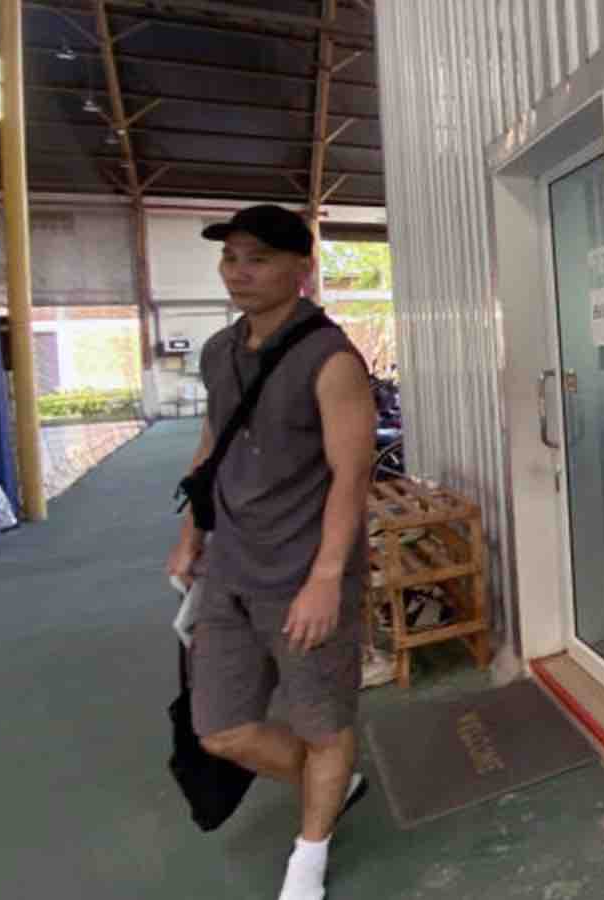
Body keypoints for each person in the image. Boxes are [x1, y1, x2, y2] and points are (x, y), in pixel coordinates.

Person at [166, 205, 376, 900]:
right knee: (220, 728)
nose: (238, 272)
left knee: (323, 721)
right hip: (229, 568)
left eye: (255, 258)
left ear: (300, 269)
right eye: (230, 259)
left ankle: (309, 855)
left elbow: (353, 473)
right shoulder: (220, 352)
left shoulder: (332, 360)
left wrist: (325, 579)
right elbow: (211, 441)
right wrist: (192, 533)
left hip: (303, 574)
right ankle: (333, 782)